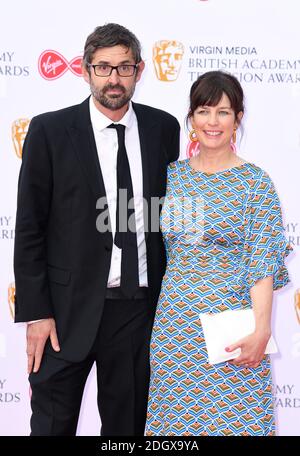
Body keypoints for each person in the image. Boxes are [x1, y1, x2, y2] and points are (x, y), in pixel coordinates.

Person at [13, 23, 180, 436]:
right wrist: (37, 312)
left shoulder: (164, 129)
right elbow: (31, 225)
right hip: (64, 314)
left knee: (126, 431)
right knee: (52, 427)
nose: (114, 79)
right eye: (103, 67)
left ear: (140, 71)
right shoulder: (50, 131)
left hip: (137, 311)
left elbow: (168, 219)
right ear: (86, 70)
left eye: (124, 67)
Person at [145, 70, 292, 436]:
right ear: (191, 118)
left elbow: (262, 262)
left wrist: (261, 329)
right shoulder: (170, 177)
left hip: (233, 329)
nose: (213, 122)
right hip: (174, 329)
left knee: (239, 423)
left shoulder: (256, 183)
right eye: (204, 111)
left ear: (238, 118)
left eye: (223, 112)